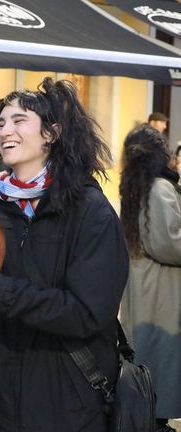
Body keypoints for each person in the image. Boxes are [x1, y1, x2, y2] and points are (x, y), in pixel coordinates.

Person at [0, 78, 129, 431]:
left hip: (68, 399)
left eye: (19, 120)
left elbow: (87, 314)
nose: (5, 131)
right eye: (1, 122)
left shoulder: (90, 210)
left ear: (51, 134)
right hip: (3, 395)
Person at [119, 125, 181, 432]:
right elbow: (170, 244)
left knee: (148, 363)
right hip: (160, 294)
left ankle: (151, 420)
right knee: (160, 365)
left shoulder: (136, 186)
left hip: (144, 288)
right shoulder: (159, 188)